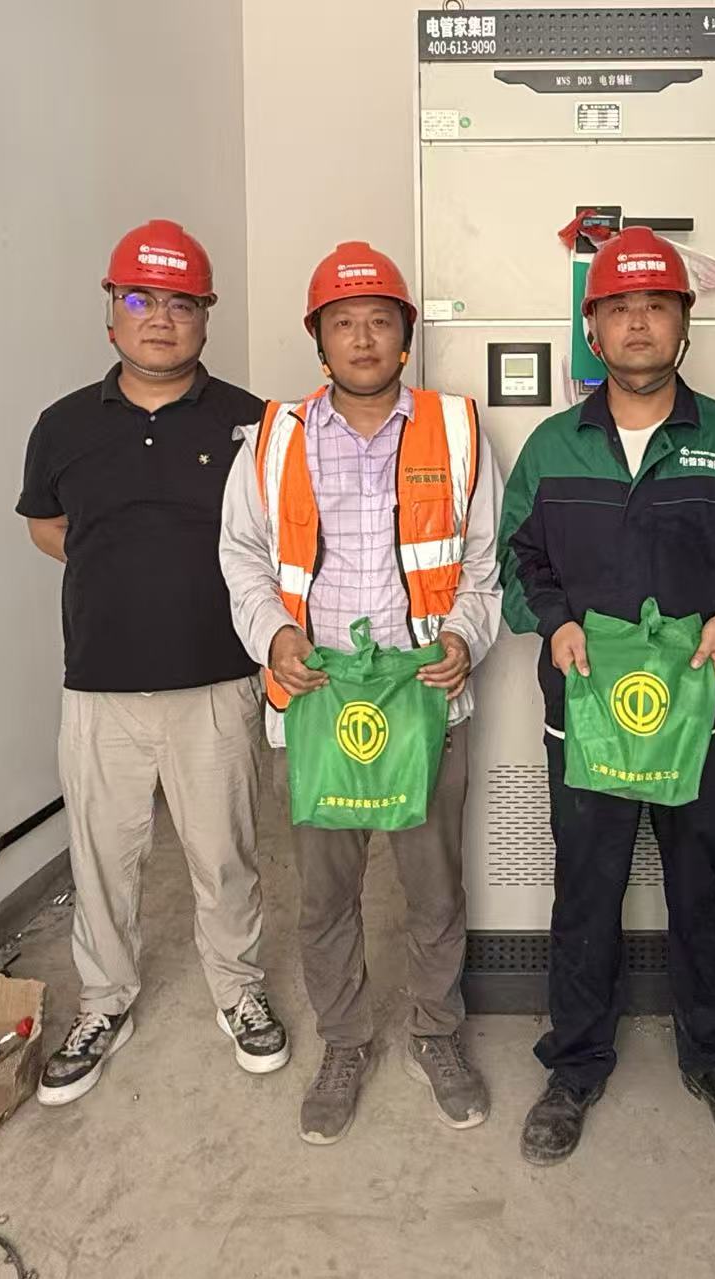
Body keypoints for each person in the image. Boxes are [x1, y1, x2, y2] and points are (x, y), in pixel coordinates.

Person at [497, 226, 715, 1166]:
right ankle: (575, 1065)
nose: (637, 323)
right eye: (619, 307)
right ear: (593, 328)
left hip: (700, 717)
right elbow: (517, 559)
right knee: (585, 892)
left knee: (702, 888)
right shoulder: (553, 447)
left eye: (656, 305)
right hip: (585, 716)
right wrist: (553, 621)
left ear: (683, 325)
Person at [219, 241, 502, 1145]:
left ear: (405, 334)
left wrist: (463, 637)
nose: (363, 337)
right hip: (316, 701)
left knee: (433, 889)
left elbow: (484, 563)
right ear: (319, 339)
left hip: (423, 698)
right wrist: (275, 638)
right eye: (343, 322)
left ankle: (435, 1033)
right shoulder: (274, 439)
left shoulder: (456, 430)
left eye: (380, 320)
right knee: (324, 896)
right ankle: (345, 1041)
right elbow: (242, 558)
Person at [18, 220, 288, 1107]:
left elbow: (279, 537)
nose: (161, 318)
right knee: (101, 858)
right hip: (99, 687)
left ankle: (238, 989)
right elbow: (49, 526)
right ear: (112, 312)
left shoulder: (255, 422)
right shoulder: (62, 424)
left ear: (207, 315)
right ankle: (105, 1002)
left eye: (181, 302)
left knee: (226, 854)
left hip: (218, 680)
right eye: (141, 298)